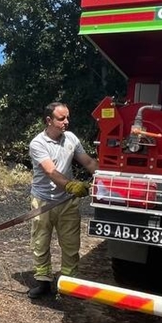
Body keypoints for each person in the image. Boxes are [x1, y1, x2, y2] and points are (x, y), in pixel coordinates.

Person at [27, 102, 98, 299]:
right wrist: (72, 186)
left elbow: (89, 162)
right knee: (40, 243)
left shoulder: (71, 138)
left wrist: (107, 178)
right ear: (49, 120)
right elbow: (51, 171)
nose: (67, 122)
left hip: (67, 203)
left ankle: (68, 284)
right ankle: (43, 282)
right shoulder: (38, 143)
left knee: (71, 244)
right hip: (43, 202)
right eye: (61, 118)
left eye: (67, 117)